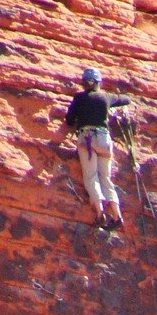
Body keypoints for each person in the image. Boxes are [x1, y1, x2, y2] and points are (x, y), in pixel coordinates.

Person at [63, 65, 129, 230]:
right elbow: (125, 99)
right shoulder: (105, 97)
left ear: (84, 83)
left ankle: (100, 215)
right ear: (98, 82)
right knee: (105, 178)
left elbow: (69, 120)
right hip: (104, 139)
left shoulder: (79, 98)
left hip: (87, 139)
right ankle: (117, 215)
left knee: (91, 177)